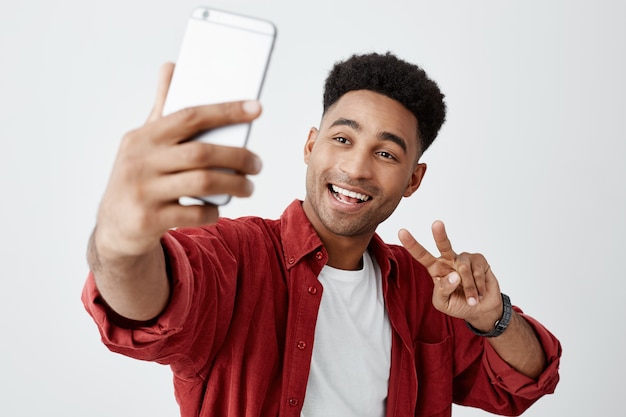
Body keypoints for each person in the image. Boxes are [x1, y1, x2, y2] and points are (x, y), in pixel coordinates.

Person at [82, 52, 561, 417]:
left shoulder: (426, 291)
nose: (355, 168)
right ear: (311, 145)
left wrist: (492, 317)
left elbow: (523, 383)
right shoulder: (234, 255)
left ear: (413, 180)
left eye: (387, 154)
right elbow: (145, 306)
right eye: (342, 139)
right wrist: (121, 240)